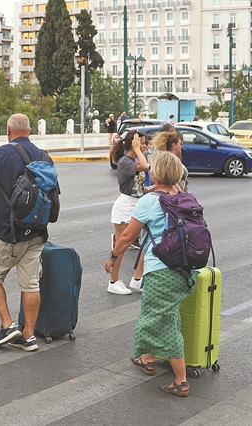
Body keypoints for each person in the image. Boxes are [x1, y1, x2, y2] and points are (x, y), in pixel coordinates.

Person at [105, 151, 194, 397]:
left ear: (157, 173)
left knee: (162, 323)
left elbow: (126, 236)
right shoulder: (185, 197)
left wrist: (113, 258)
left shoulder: (151, 201)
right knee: (165, 316)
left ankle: (181, 380)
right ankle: (148, 358)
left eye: (152, 168)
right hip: (186, 272)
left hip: (162, 272)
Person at [0, 113, 57, 352]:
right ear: (30, 131)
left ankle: (8, 325)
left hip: (6, 230)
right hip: (37, 231)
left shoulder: (1, 153)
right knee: (31, 284)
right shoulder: (44, 156)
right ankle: (29, 336)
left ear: (9, 131)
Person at [108, 130, 149, 295]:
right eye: (142, 143)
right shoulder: (126, 161)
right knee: (122, 246)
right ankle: (113, 281)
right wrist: (138, 149)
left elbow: (137, 185)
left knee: (147, 241)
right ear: (134, 144)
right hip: (125, 206)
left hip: (137, 204)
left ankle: (137, 279)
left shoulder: (132, 160)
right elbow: (145, 166)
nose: (145, 146)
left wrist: (150, 189)